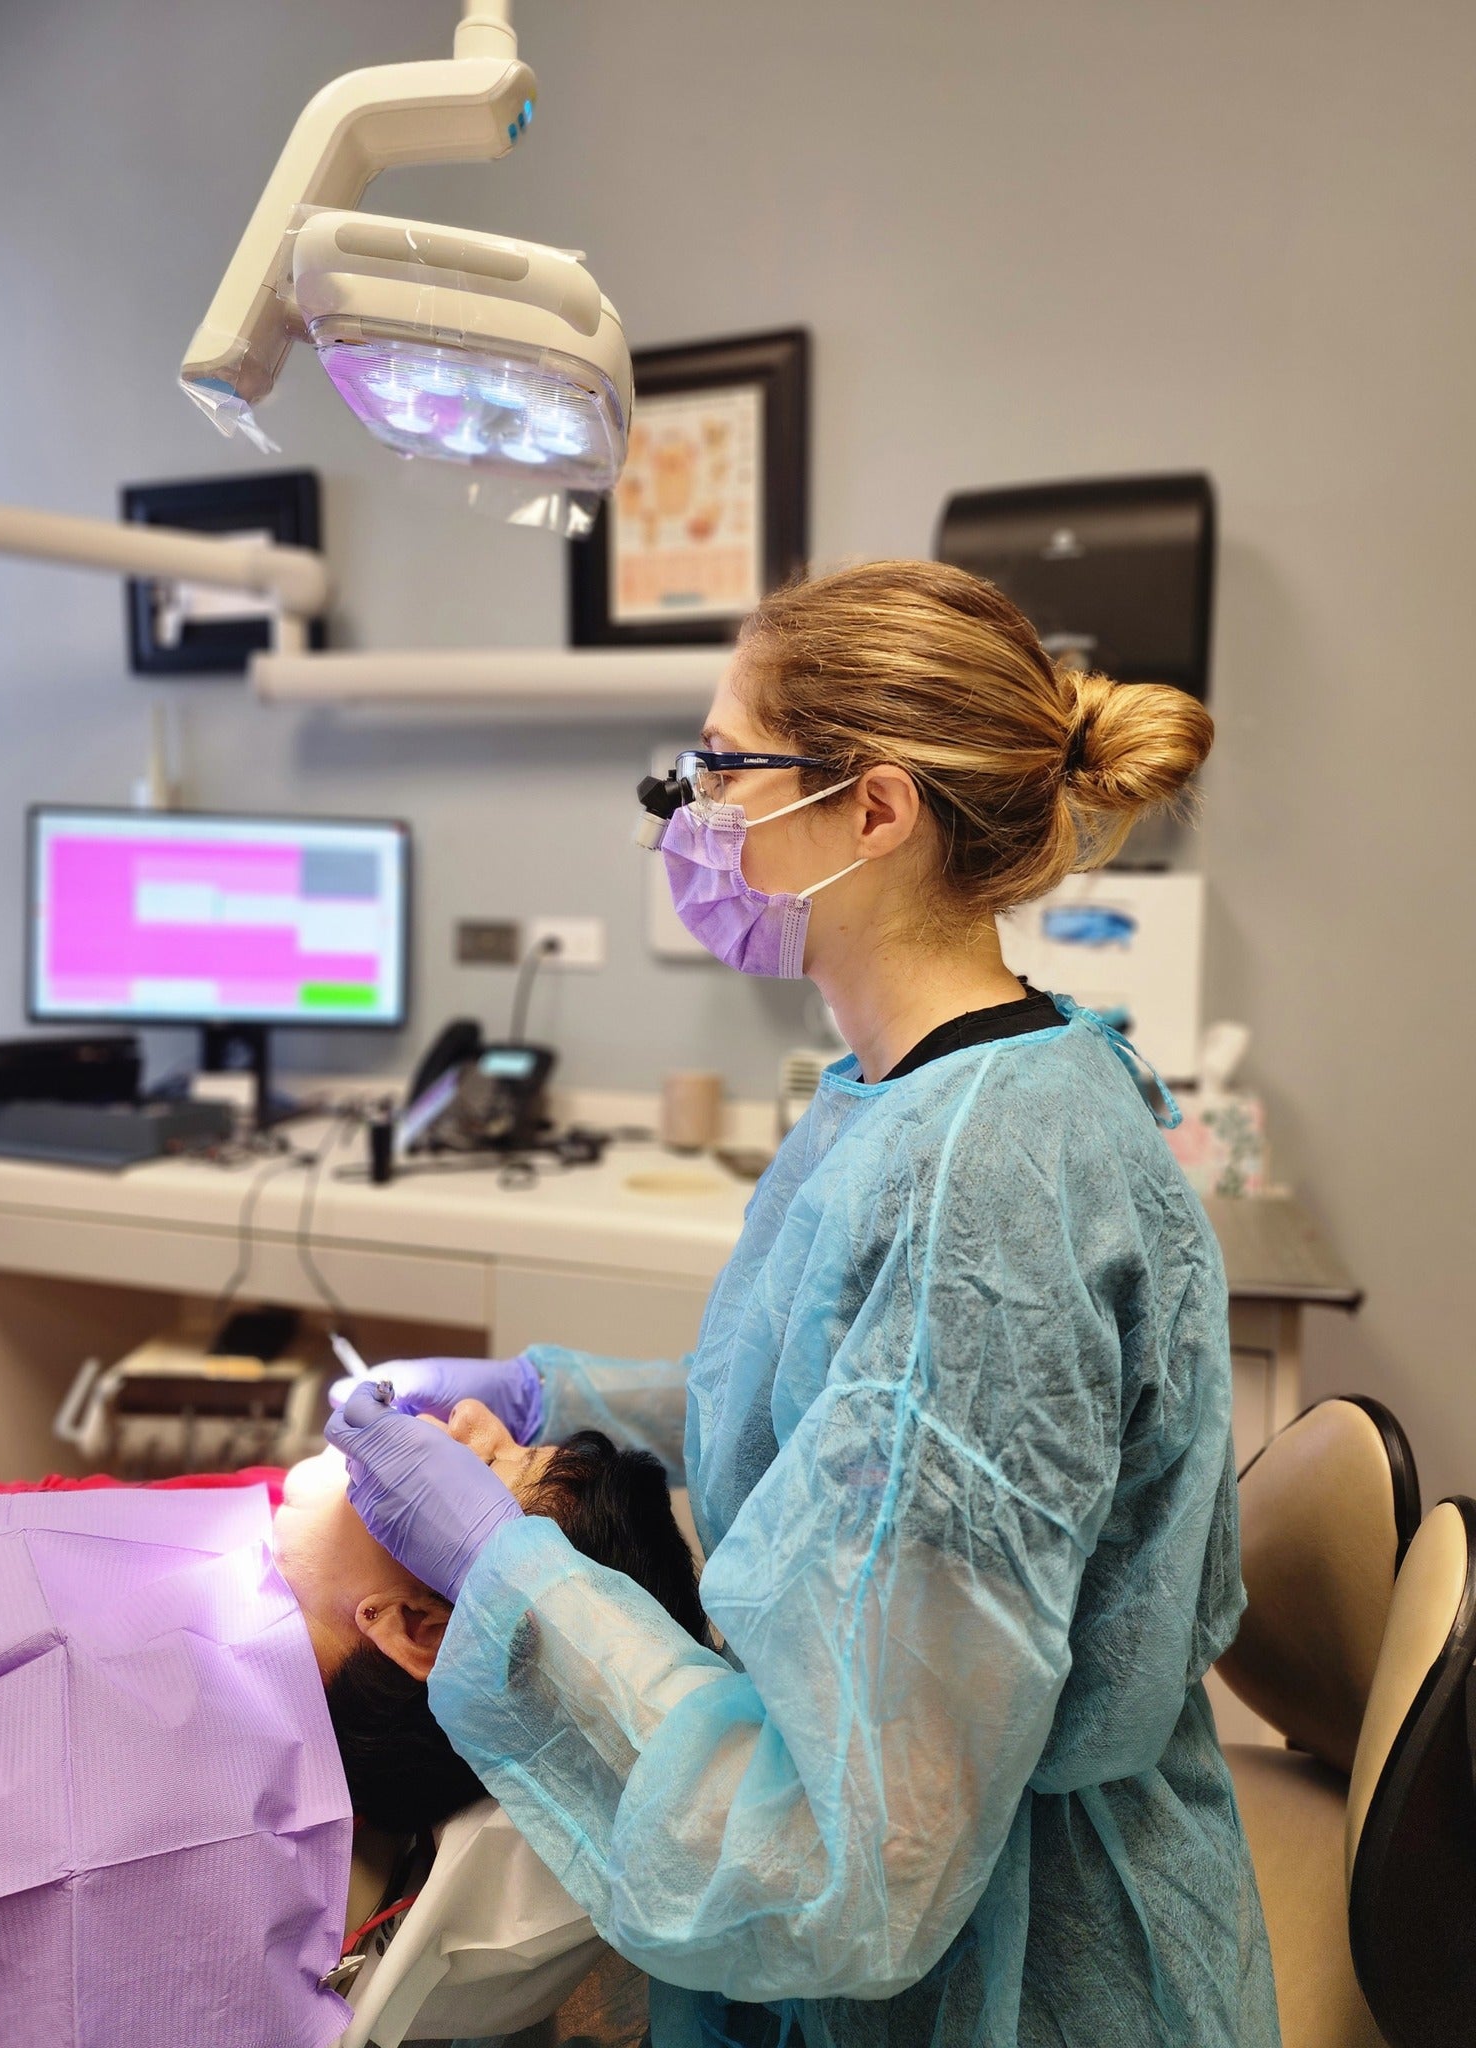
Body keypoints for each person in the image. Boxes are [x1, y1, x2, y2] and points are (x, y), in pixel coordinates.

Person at [328, 561, 1281, 2048]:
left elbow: (851, 1868)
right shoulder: (920, 1094)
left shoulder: (984, 1184)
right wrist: (554, 1396)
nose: (687, 812)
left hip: (1011, 1973)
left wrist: (506, 1570)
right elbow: (845, 1430)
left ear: (876, 811)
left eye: (718, 768)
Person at [0, 1405, 704, 2047]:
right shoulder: (263, 1530)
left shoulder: (180, 1882)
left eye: (491, 1463)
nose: (469, 1415)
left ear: (419, 1632)